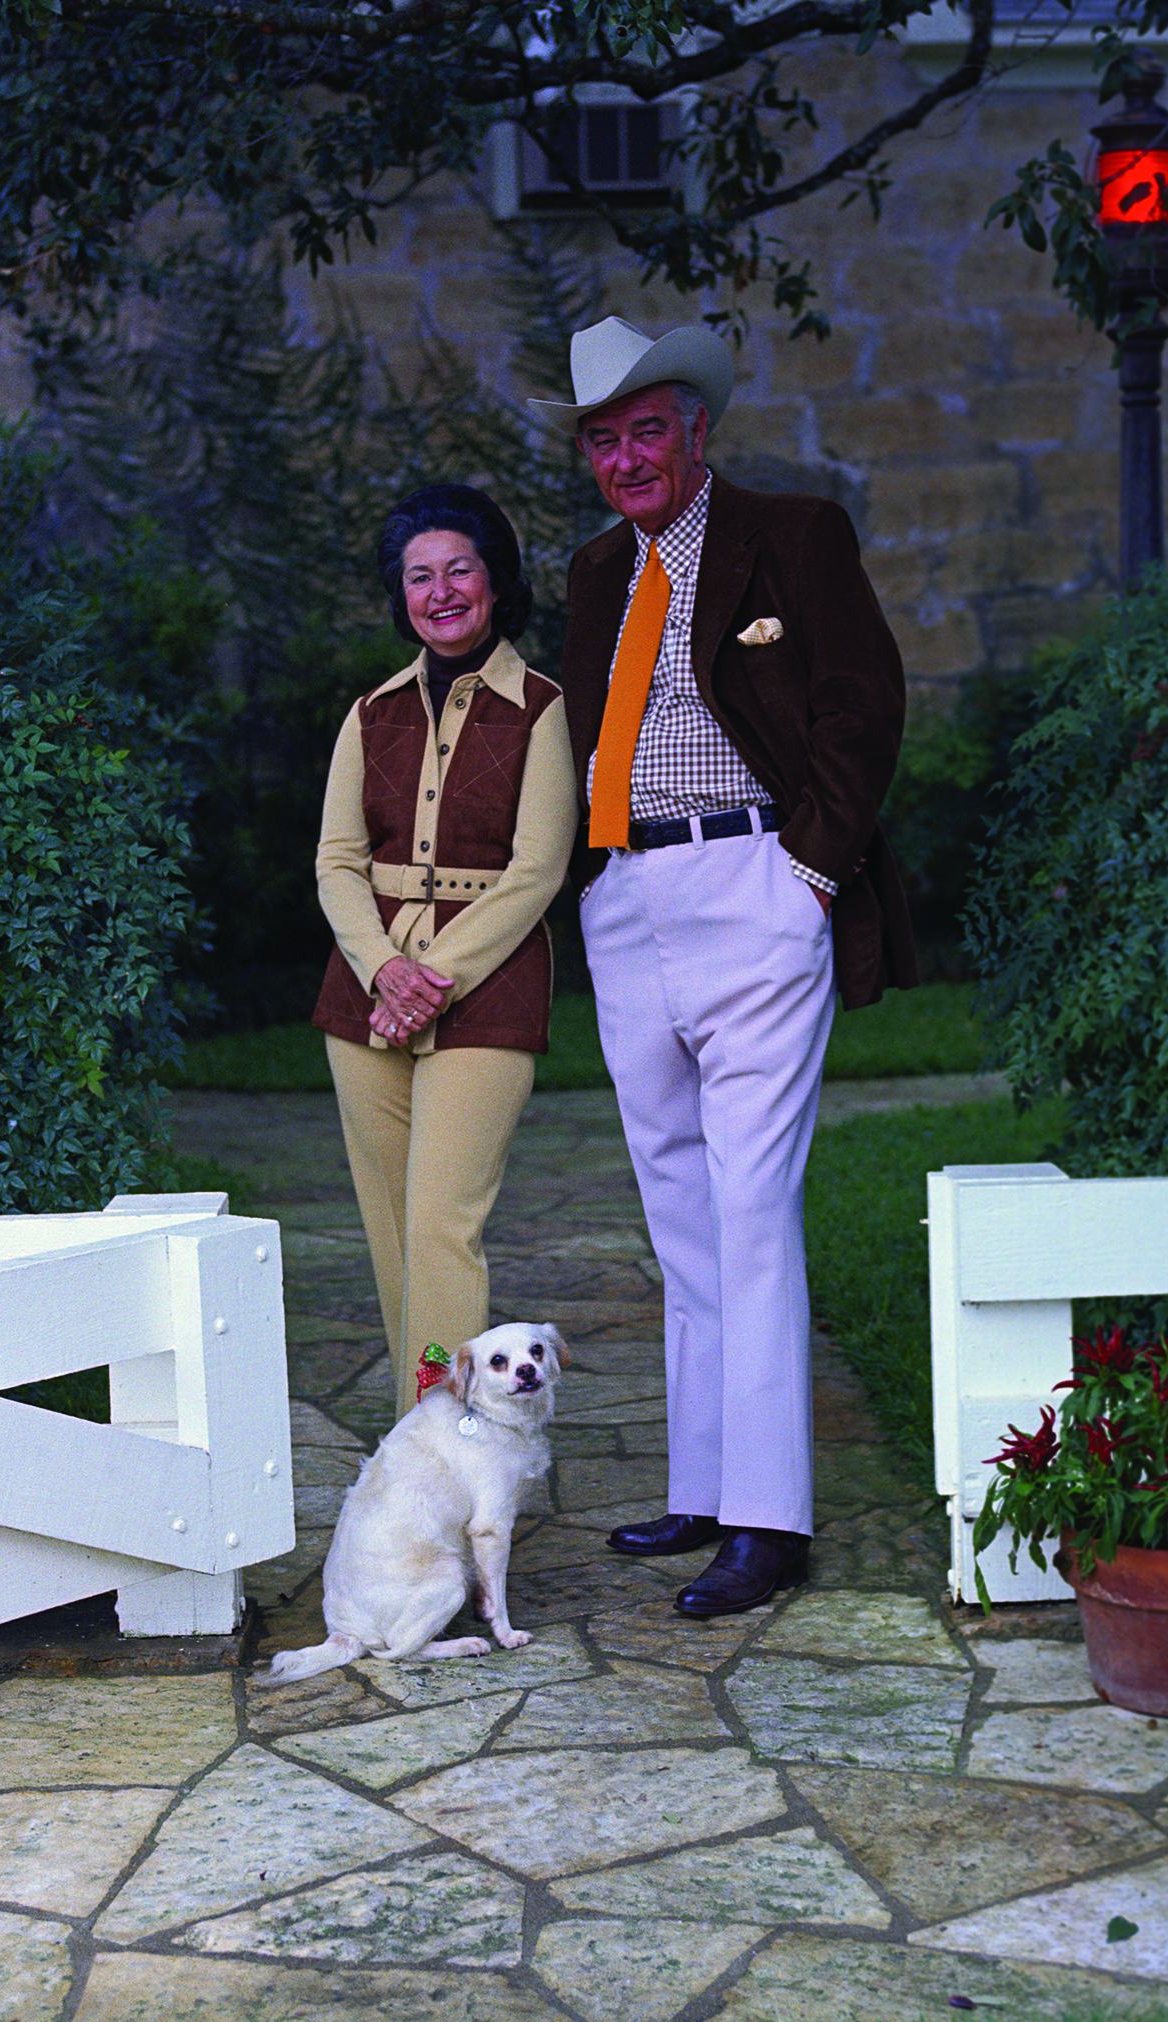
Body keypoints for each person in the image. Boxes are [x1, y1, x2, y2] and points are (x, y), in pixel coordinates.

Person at [531, 317, 915, 1615]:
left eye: (647, 429)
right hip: (627, 895)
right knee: (678, 1209)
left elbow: (860, 700)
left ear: (696, 431)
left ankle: (769, 1521)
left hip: (754, 881)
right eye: (603, 440)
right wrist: (585, 885)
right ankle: (704, 1485)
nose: (627, 457)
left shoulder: (790, 538)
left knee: (750, 1212)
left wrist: (805, 872)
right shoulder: (594, 573)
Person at [313, 482, 578, 1414]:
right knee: (391, 1235)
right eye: (418, 577)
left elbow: (537, 869)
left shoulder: (540, 707)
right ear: (401, 595)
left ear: (495, 581)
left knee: (439, 1229)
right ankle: (414, 1442)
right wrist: (385, 971)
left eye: (459, 569)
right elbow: (337, 862)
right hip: (363, 999)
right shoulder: (369, 713)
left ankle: (456, 1443)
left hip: (488, 997)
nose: (440, 592)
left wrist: (431, 981)